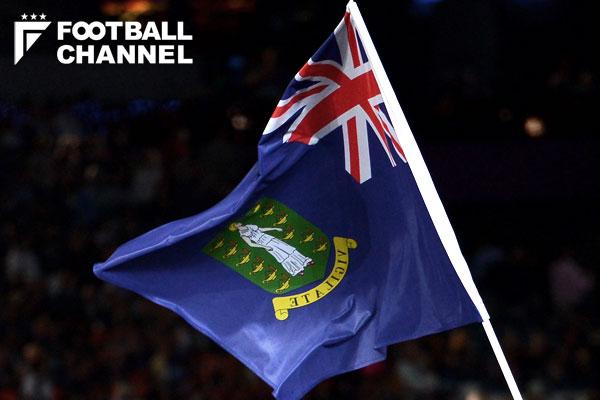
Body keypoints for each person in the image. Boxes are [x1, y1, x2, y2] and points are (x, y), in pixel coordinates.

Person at [229, 223, 313, 276]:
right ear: (235, 227)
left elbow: (261, 229)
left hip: (270, 238)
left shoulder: (249, 226)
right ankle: (296, 270)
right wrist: (264, 246)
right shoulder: (243, 234)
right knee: (282, 256)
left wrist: (274, 228)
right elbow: (251, 244)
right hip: (265, 244)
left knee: (289, 249)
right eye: (236, 224)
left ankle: (305, 261)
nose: (238, 223)